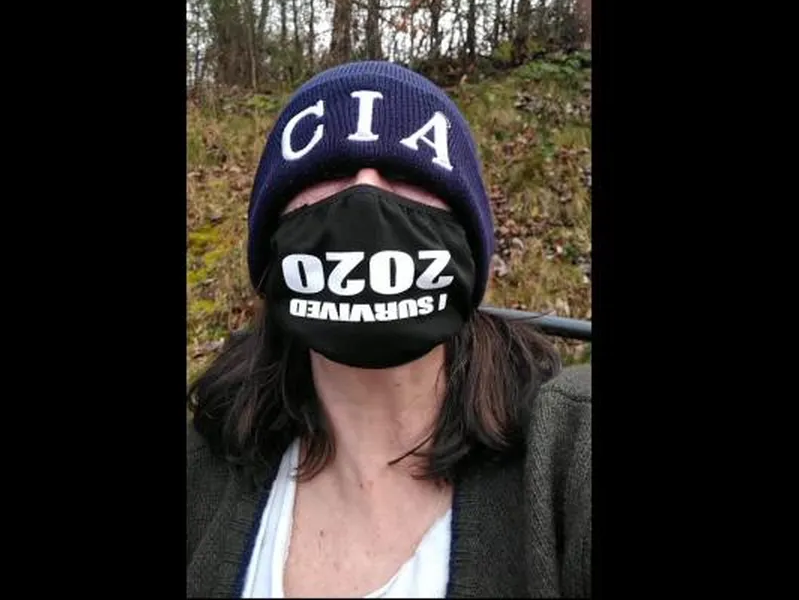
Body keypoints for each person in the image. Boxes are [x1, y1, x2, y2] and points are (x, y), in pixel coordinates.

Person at [186, 60, 591, 598]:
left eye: (409, 175)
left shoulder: (570, 454)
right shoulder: (203, 465)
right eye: (328, 171)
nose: (365, 195)